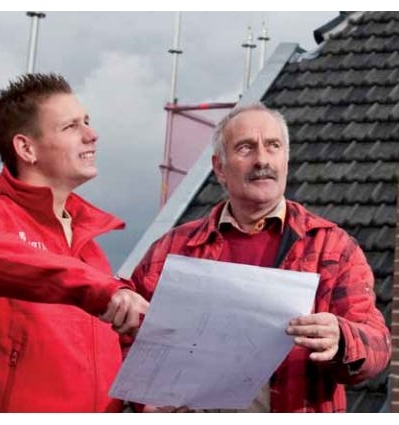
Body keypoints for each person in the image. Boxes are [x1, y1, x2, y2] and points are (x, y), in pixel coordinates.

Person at [131, 102, 391, 413]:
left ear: (286, 160)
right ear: (219, 167)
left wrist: (342, 338)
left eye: (273, 146)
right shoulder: (172, 249)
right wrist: (146, 404)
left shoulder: (332, 248)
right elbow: (128, 339)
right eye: (245, 148)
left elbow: (378, 345)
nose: (262, 160)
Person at [0, 73, 148, 412]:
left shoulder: (89, 249)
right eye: (71, 126)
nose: (92, 134)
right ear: (26, 148)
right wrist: (99, 288)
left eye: (87, 121)